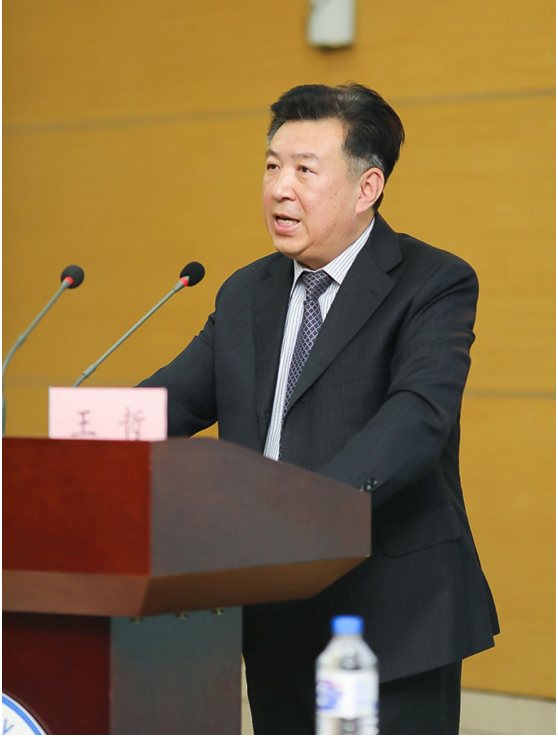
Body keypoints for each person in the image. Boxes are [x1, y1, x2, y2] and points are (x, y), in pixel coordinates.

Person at [140, 83, 499, 735]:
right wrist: (79, 439)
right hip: (273, 612)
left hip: (392, 614)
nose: (280, 188)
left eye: (305, 170)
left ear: (367, 188)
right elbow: (172, 401)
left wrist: (303, 515)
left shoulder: (433, 281)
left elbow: (417, 416)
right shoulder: (246, 292)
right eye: (272, 165)